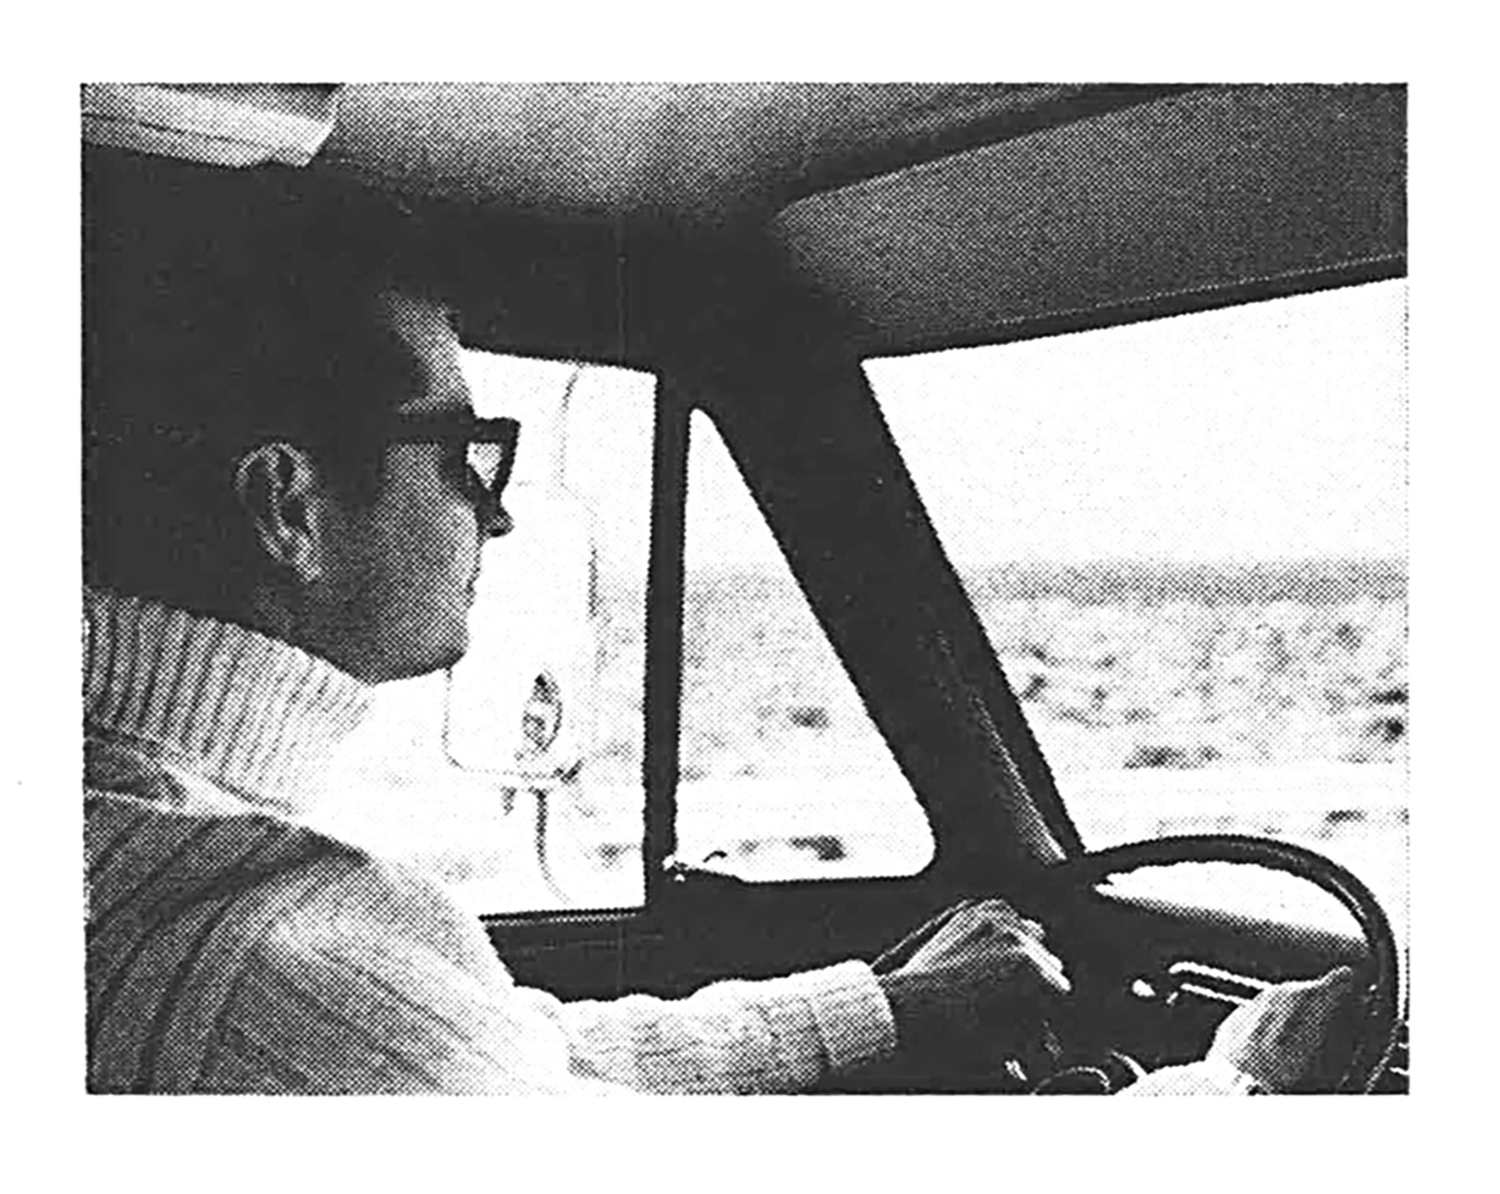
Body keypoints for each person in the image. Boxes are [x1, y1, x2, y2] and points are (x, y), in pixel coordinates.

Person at [83, 142, 1351, 1095]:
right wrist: (1235, 1096)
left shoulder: (128, 848)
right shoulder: (271, 950)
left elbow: (516, 1059)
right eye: (466, 454)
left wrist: (889, 1007)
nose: (496, 517)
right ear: (289, 505)